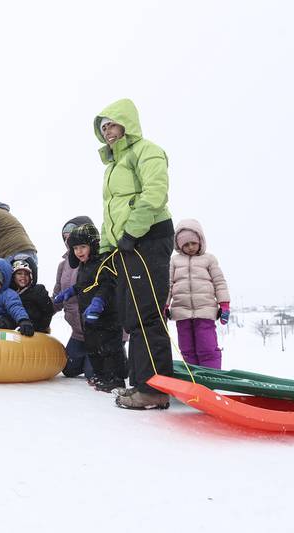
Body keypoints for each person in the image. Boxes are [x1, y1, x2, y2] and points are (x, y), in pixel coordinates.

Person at [94, 98, 174, 410]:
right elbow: (109, 213)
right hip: (127, 245)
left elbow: (155, 193)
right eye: (103, 129)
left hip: (148, 238)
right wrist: (105, 249)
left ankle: (153, 390)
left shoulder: (147, 151)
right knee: (132, 316)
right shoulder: (112, 166)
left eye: (111, 124)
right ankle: (142, 382)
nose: (108, 132)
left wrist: (132, 233)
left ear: (126, 123)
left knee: (147, 314)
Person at [54, 223, 127, 392]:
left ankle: (116, 378)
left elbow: (107, 285)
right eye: (75, 248)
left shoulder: (102, 262)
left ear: (92, 246)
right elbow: (84, 286)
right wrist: (70, 291)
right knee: (93, 347)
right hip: (88, 317)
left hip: (107, 316)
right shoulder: (83, 266)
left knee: (108, 347)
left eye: (83, 247)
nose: (79, 252)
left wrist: (98, 302)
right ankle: (100, 375)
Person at [166, 219, 230, 369]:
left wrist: (224, 305)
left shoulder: (209, 259)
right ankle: (193, 378)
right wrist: (165, 304)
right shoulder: (174, 261)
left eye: (193, 243)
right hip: (181, 312)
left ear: (200, 241)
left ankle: (211, 376)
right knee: (187, 349)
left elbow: (219, 282)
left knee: (207, 347)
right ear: (179, 245)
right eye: (186, 244)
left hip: (205, 311)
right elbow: (168, 285)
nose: (190, 247)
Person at [53, 216, 94, 378]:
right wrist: (42, 313)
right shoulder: (63, 266)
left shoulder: (98, 261)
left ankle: (118, 361)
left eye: (72, 235)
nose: (68, 240)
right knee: (69, 369)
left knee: (93, 373)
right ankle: (85, 358)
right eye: (65, 238)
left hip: (100, 332)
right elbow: (57, 296)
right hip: (78, 332)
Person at [10, 255, 53, 333]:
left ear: (32, 276)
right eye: (19, 273)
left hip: (34, 331)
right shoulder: (10, 293)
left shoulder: (38, 291)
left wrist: (41, 329)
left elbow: (48, 311)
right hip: (15, 330)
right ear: (13, 276)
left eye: (26, 274)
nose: (23, 277)